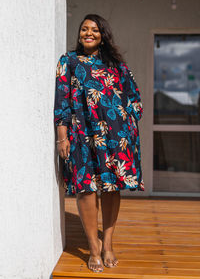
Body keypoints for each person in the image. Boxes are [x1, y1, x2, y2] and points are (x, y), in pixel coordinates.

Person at [54, 14, 144, 273]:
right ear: (79, 34)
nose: (88, 33)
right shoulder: (68, 61)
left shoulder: (116, 65)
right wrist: (62, 136)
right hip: (81, 135)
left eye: (94, 29)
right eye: (84, 29)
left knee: (112, 187)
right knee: (86, 189)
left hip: (117, 138)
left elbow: (135, 97)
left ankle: (108, 245)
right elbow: (61, 102)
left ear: (103, 35)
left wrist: (128, 120)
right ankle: (93, 248)